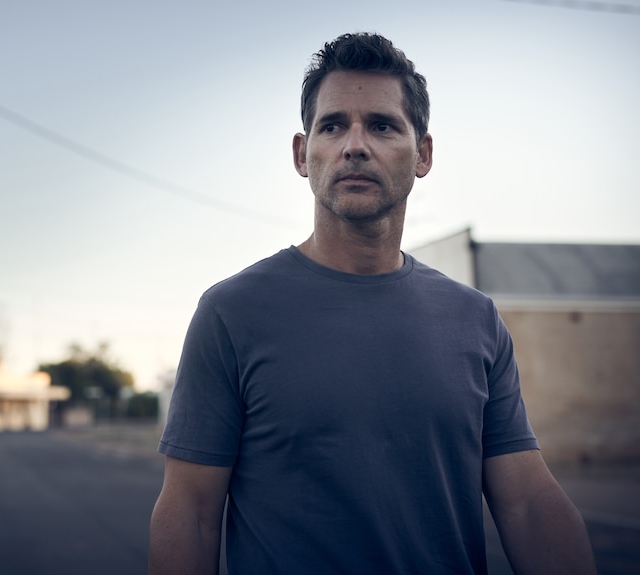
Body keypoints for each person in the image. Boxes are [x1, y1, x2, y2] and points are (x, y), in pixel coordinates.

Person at [149, 32, 596, 575]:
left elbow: (527, 502)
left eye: (382, 125)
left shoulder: (474, 320)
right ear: (302, 153)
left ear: (423, 153)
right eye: (333, 125)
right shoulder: (231, 313)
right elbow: (191, 512)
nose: (354, 145)